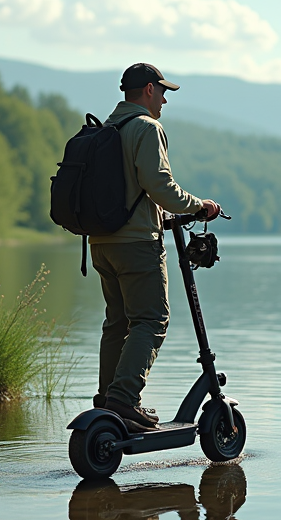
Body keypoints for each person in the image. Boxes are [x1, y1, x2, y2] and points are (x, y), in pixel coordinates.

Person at [89, 62, 220, 432]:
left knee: (117, 323)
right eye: (163, 92)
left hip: (101, 243)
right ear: (148, 89)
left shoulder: (108, 127)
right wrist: (199, 205)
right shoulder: (146, 127)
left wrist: (159, 215)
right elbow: (159, 185)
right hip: (136, 245)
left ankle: (106, 401)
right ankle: (124, 399)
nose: (164, 100)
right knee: (151, 319)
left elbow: (131, 191)